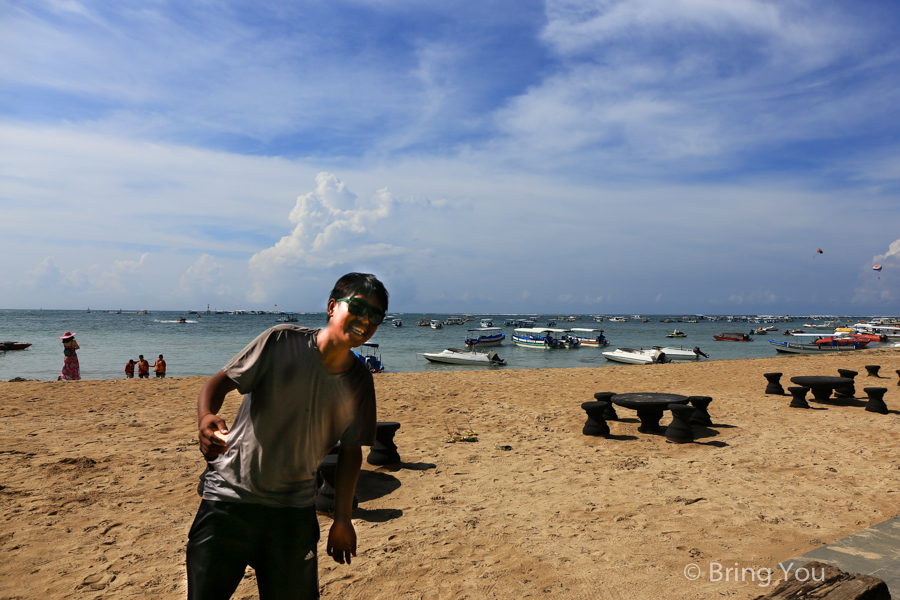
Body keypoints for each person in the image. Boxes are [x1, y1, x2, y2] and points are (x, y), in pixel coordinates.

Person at [185, 272, 388, 600]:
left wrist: (342, 520)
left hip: (292, 514)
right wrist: (206, 417)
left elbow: (351, 451)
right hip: (227, 502)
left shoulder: (360, 380)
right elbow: (217, 385)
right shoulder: (280, 340)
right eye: (359, 307)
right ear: (332, 307)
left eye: (375, 315)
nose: (366, 320)